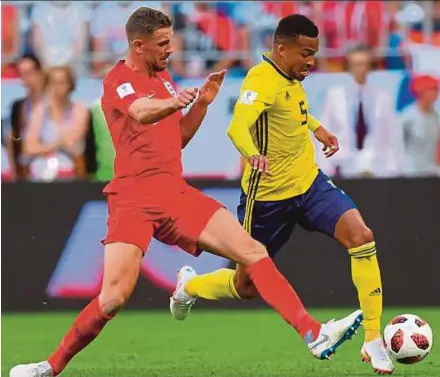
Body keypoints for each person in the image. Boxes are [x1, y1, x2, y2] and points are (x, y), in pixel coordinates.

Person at [10, 7, 362, 377]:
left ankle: (313, 332)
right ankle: (50, 367)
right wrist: (174, 102)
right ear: (138, 45)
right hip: (133, 197)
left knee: (253, 252)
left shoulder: (164, 79)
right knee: (112, 299)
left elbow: (174, 139)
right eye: (162, 44)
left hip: (175, 192)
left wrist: (203, 105)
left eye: (171, 41)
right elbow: (143, 112)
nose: (170, 49)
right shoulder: (117, 79)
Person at [170, 14, 393, 375]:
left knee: (361, 237)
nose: (311, 62)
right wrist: (251, 153)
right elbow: (237, 126)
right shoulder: (260, 79)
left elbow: (292, 111)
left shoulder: (290, 77)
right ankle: (190, 285)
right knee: (245, 286)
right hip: (267, 199)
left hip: (308, 184)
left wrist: (318, 129)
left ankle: (373, 338)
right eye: (305, 53)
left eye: (314, 54)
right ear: (281, 48)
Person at [317, 44, 402, 178]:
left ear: (369, 66)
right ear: (349, 66)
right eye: (355, 64)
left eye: (364, 64)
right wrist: (324, 170)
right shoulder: (334, 96)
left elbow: (392, 135)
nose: (360, 69)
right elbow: (323, 132)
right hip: (342, 165)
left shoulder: (382, 97)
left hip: (377, 167)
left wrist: (394, 169)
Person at [24, 66, 89, 181]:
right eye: (52, 83)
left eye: (61, 82)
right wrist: (54, 146)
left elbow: (71, 144)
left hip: (69, 168)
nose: (56, 87)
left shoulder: (79, 109)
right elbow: (29, 147)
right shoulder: (39, 110)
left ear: (70, 85)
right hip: (41, 170)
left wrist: (56, 111)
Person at [7, 54, 45, 180]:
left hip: (49, 164)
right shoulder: (18, 106)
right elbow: (14, 138)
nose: (25, 78)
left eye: (29, 72)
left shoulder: (52, 103)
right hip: (25, 169)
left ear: (39, 72)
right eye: (22, 73)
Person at [400, 75, 440, 177]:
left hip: (432, 173)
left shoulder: (436, 117)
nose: (436, 93)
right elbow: (397, 145)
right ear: (421, 92)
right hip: (411, 173)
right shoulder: (407, 117)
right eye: (431, 89)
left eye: (436, 89)